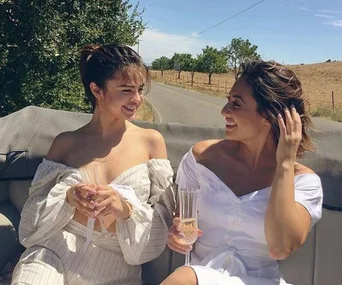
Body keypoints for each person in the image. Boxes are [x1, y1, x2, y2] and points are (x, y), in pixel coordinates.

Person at [11, 44, 175, 285]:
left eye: (140, 89)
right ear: (97, 90)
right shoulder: (65, 143)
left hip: (116, 264)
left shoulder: (151, 142)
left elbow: (166, 217)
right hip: (52, 252)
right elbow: (32, 219)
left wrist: (126, 209)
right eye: (126, 90)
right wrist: (68, 198)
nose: (137, 99)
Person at [162, 60, 323, 285]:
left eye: (236, 104)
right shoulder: (201, 159)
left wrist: (284, 163)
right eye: (228, 101)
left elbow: (280, 247)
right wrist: (176, 234)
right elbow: (183, 224)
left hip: (257, 281)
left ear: (269, 114)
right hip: (198, 275)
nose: (224, 111)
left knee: (185, 278)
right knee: (187, 276)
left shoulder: (304, 182)